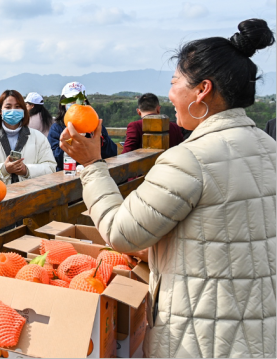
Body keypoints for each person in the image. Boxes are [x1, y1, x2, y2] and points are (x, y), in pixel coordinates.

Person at [60, 18, 276, 357]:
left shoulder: (189, 159)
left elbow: (121, 233)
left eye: (175, 81)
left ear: (202, 89)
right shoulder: (269, 147)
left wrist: (91, 165)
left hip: (199, 340)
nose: (171, 94)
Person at [0, 90, 56, 185]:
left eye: (17, 107)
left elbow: (51, 168)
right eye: (8, 107)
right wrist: (4, 169)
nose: (13, 110)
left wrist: (26, 170)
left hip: (31, 195)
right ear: (1, 111)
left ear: (23, 110)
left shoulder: (38, 137)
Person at [48, 82, 117, 171]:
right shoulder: (57, 128)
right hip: (67, 178)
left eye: (79, 101)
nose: (76, 104)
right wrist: (71, 140)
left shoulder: (93, 126)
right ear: (63, 104)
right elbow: (55, 159)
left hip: (93, 173)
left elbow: (112, 153)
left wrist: (98, 139)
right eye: (71, 101)